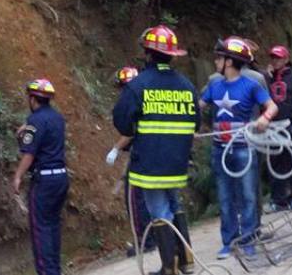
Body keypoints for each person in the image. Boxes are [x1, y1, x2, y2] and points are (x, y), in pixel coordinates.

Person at [112, 25, 199, 275]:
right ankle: (187, 261)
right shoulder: (186, 86)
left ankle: (169, 267)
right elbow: (195, 122)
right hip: (177, 161)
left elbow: (122, 121)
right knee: (175, 204)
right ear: (172, 56)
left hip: (150, 162)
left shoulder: (138, 85)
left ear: (147, 54)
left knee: (159, 210)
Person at [200, 37, 278, 259]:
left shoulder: (251, 84)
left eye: (219, 58)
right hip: (220, 149)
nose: (216, 61)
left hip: (245, 148)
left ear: (229, 62)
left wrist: (264, 118)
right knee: (225, 198)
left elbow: (272, 106)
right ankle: (229, 242)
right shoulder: (214, 85)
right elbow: (198, 106)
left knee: (247, 195)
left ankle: (249, 240)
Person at [14, 79, 69, 275]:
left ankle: (47, 272)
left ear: (32, 99)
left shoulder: (34, 120)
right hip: (61, 178)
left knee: (41, 229)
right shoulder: (58, 118)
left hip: (44, 181)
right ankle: (55, 270)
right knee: (52, 225)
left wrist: (18, 176)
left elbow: (29, 153)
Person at [105, 66, 155, 257]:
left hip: (142, 156)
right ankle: (156, 237)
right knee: (153, 199)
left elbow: (131, 132)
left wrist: (115, 149)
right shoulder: (149, 97)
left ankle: (145, 241)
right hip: (154, 154)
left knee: (135, 199)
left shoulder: (132, 101)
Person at [263, 44, 292, 212]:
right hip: (272, 127)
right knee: (275, 163)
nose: (275, 61)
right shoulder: (266, 79)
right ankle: (278, 200)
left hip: (291, 126)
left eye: (278, 58)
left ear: (286, 59)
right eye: (273, 58)